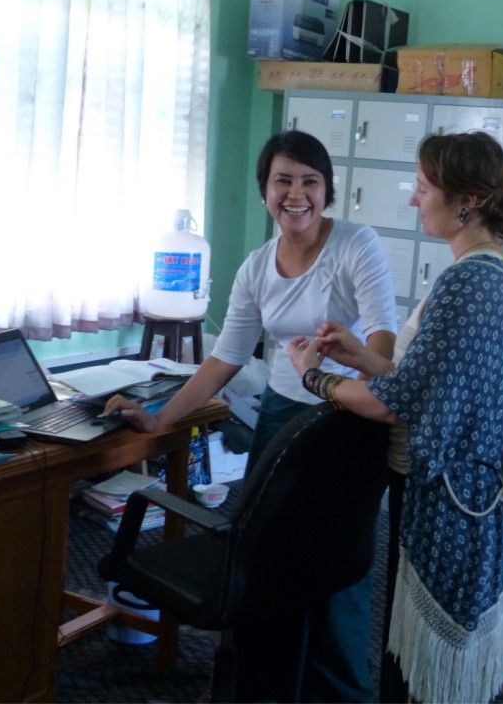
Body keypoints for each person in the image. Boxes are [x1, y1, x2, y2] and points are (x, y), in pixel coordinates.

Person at [104, 130, 397, 703]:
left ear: (326, 190)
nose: (296, 194)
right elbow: (223, 360)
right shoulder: (257, 267)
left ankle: (340, 693)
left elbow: (381, 345)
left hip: (345, 423)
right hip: (281, 422)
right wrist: (159, 419)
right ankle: (265, 687)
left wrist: (357, 368)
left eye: (310, 181)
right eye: (282, 180)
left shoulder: (357, 246)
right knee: (269, 569)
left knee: (338, 572)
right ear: (265, 189)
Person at [287, 131, 503, 703]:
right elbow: (427, 381)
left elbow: (393, 403)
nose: (414, 200)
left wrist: (313, 376)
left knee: (415, 674)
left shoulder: (463, 282)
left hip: (442, 500)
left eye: (422, 188)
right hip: (472, 491)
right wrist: (364, 357)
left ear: (464, 200)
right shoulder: (500, 277)